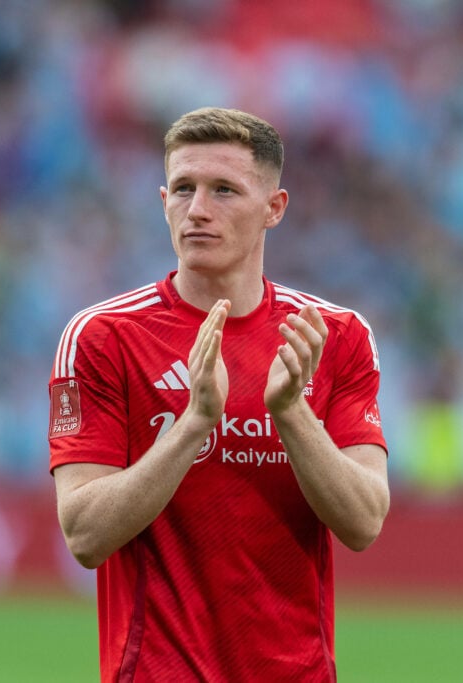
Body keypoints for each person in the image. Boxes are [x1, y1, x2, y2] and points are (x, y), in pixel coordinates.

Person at [48, 107, 389, 682]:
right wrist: (192, 426)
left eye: (224, 190)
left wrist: (290, 412)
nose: (198, 210)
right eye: (183, 189)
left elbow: (363, 523)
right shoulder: (103, 337)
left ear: (274, 209)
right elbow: (84, 534)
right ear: (162, 202)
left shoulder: (334, 336)